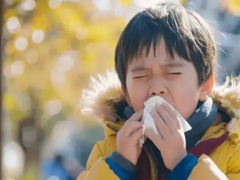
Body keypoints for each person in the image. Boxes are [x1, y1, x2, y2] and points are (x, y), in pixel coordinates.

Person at [78, 2, 240, 180]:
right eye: (141, 76)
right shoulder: (110, 150)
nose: (156, 89)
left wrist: (183, 165)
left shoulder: (232, 149)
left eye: (172, 73)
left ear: (205, 86)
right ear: (126, 92)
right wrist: (120, 167)